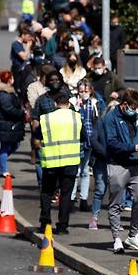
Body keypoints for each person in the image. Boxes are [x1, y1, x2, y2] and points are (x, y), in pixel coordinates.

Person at [103, 88, 138, 254]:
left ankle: (133, 235)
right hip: (117, 164)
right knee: (116, 202)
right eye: (133, 107)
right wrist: (132, 147)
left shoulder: (135, 117)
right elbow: (112, 142)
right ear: (124, 104)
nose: (135, 111)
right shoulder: (110, 118)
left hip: (135, 163)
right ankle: (116, 238)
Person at [37, 91, 82, 235]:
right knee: (66, 195)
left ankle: (45, 223)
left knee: (47, 192)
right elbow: (84, 137)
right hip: (70, 161)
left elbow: (38, 135)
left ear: (55, 104)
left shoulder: (46, 119)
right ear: (69, 104)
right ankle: (62, 226)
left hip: (51, 161)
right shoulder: (77, 118)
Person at [69, 80, 100, 211]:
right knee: (75, 171)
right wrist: (76, 107)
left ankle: (84, 199)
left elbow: (97, 120)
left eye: (86, 91)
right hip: (75, 140)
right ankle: (71, 198)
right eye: (81, 91)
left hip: (88, 139)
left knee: (86, 170)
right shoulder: (72, 102)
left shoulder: (94, 103)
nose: (83, 94)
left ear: (91, 91)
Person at [0, 70, 25, 177]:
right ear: (9, 80)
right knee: (5, 147)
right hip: (4, 125)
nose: (13, 80)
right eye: (12, 78)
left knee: (14, 145)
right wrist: (22, 112)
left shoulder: (8, 91)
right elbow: (9, 109)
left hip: (9, 124)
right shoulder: (4, 94)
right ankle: (4, 170)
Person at [10, 25, 34, 94]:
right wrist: (28, 47)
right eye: (28, 37)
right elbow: (24, 57)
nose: (29, 39)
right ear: (23, 35)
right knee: (19, 88)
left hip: (24, 69)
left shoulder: (24, 43)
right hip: (18, 69)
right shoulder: (16, 44)